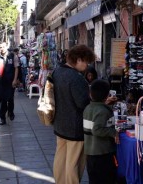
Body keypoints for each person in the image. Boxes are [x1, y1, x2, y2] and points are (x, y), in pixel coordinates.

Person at [52, 45, 96, 184]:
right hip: (75, 126)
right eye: (86, 62)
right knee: (74, 163)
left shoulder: (57, 72)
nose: (87, 65)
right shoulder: (77, 78)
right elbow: (82, 104)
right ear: (78, 60)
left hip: (60, 123)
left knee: (60, 158)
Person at [83, 79, 119, 184]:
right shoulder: (102, 111)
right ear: (106, 95)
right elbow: (97, 129)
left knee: (94, 180)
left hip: (90, 153)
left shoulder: (88, 108)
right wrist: (113, 133)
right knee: (106, 179)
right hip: (102, 153)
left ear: (90, 94)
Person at [0, 42, 19, 125]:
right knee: (3, 100)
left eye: (3, 47)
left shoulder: (13, 56)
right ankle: (2, 117)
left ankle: (11, 112)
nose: (2, 48)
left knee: (10, 98)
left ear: (6, 46)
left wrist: (15, 79)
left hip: (10, 81)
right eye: (0, 47)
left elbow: (16, 68)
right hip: (0, 82)